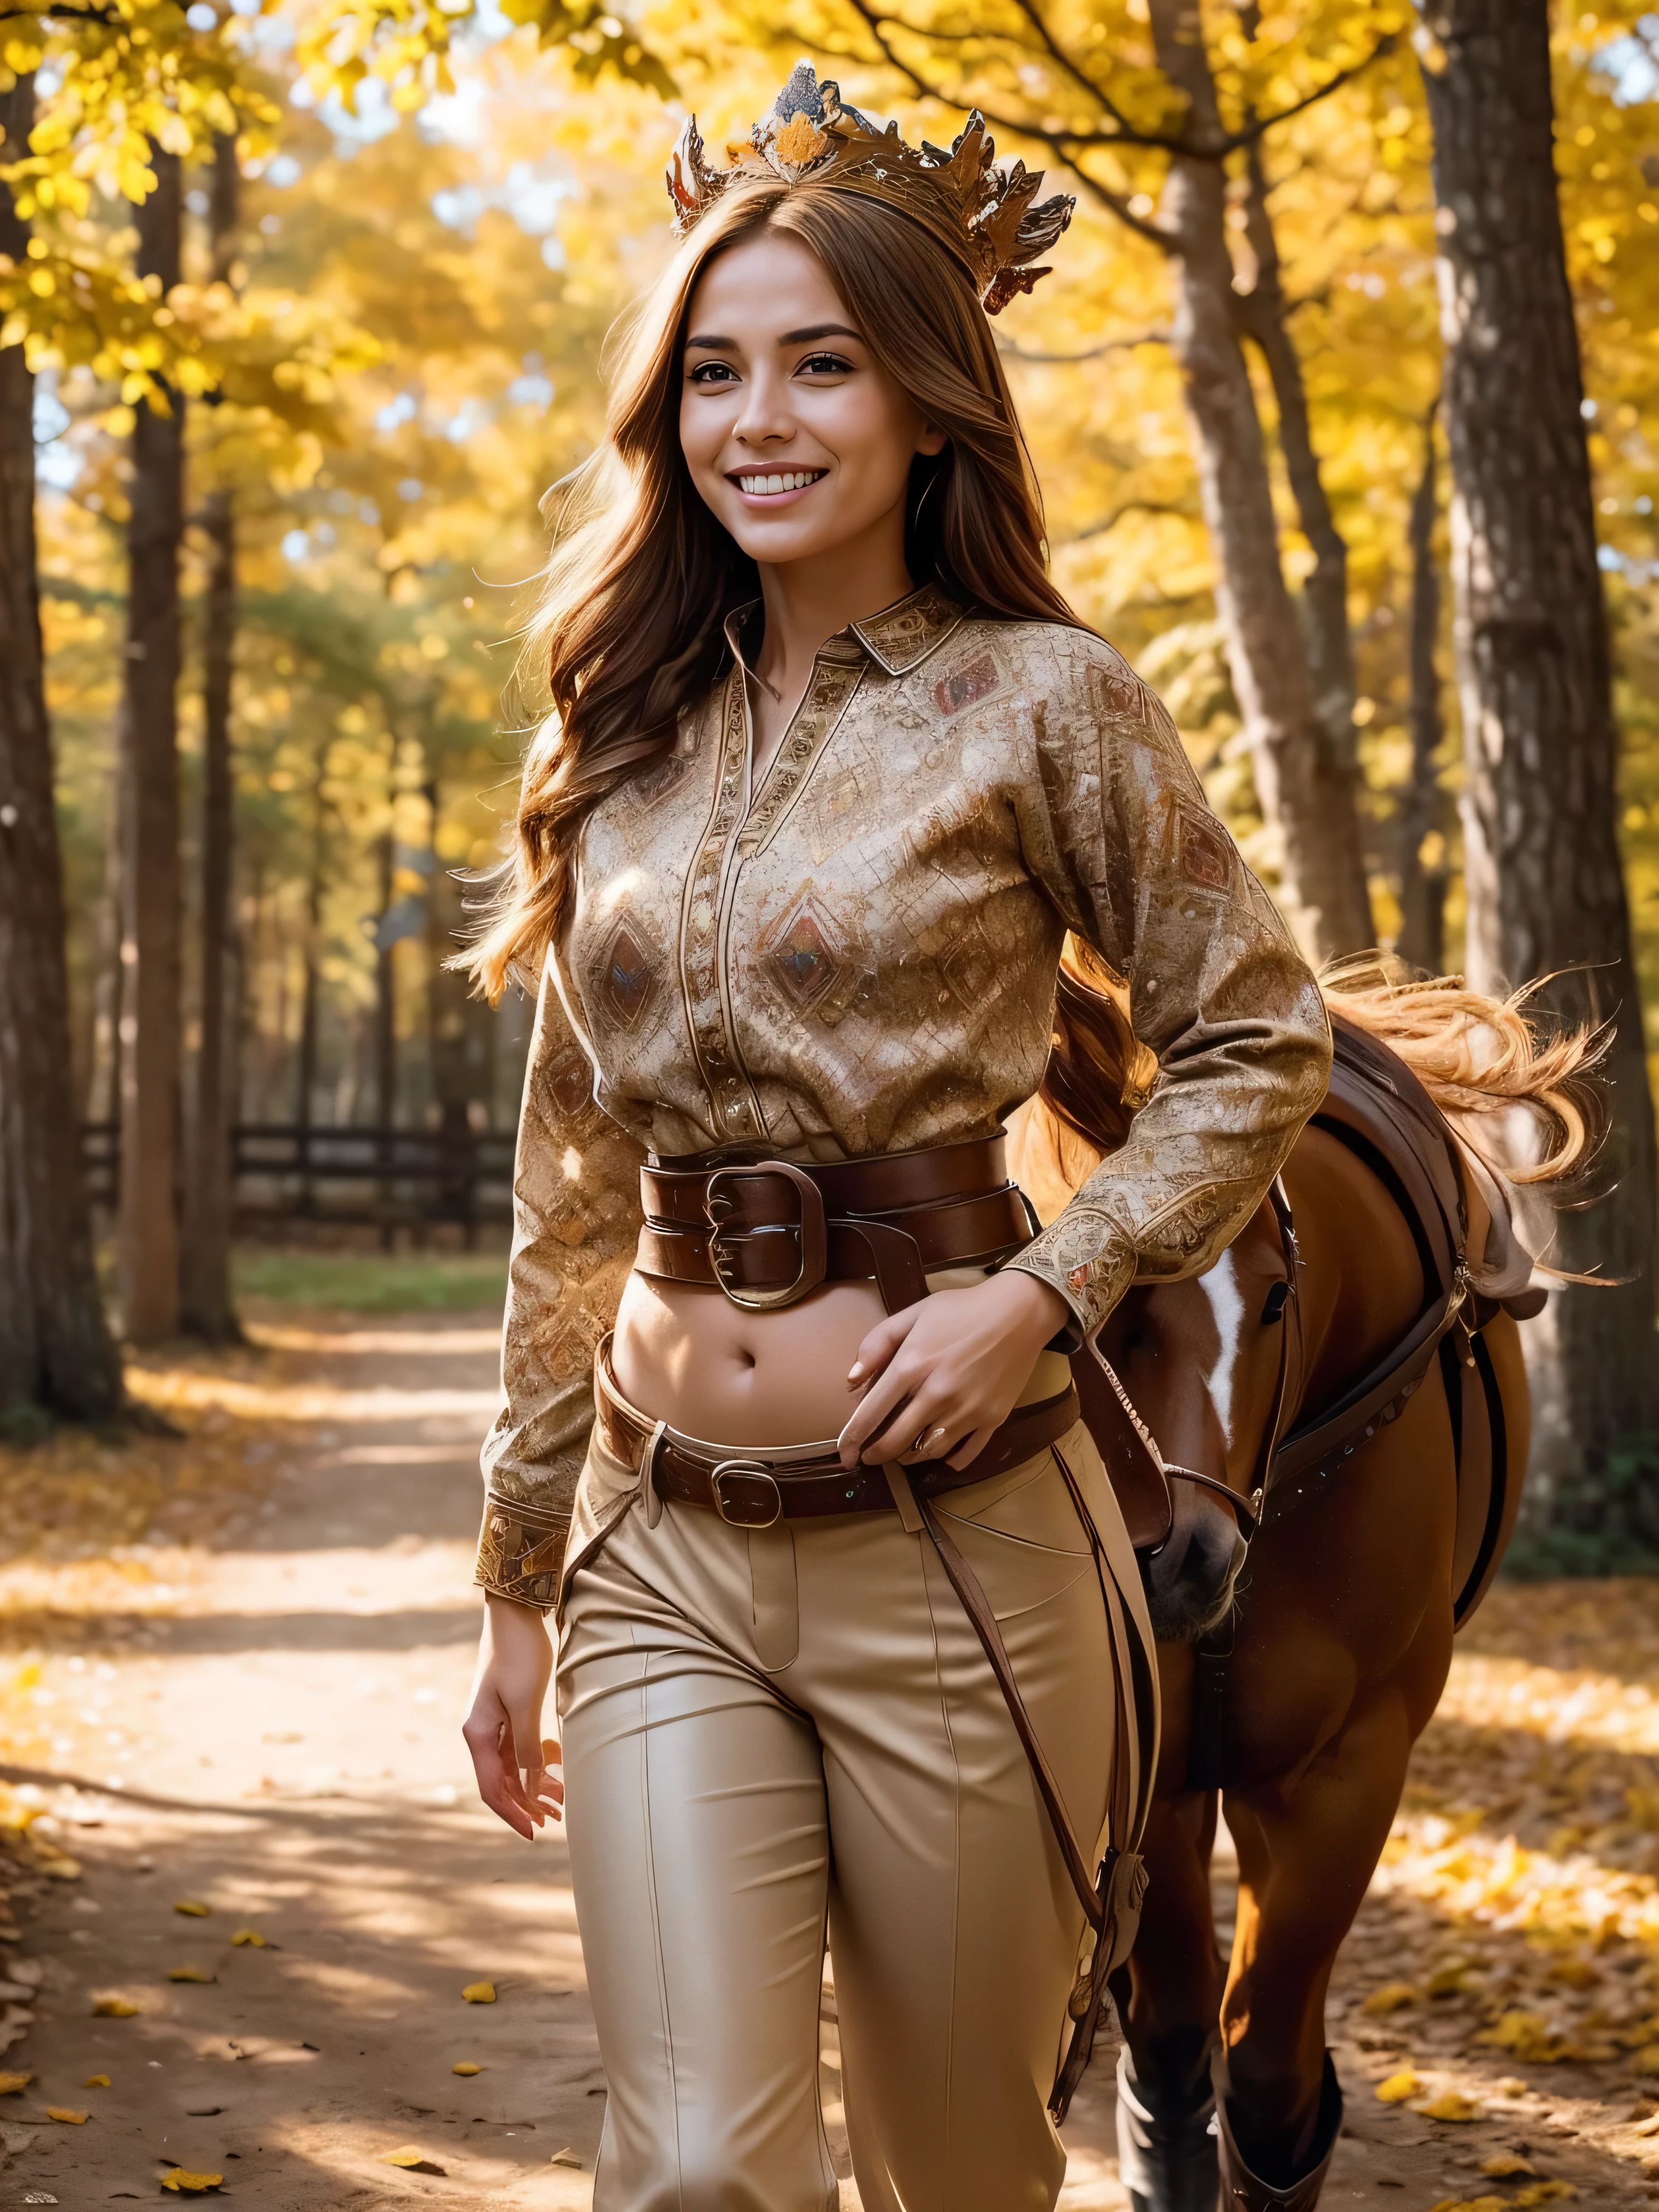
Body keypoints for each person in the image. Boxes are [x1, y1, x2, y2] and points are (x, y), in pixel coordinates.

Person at [459, 62, 1332, 2212]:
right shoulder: (621, 737)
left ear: (929, 401)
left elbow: (1255, 1041)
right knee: (691, 2172)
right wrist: (511, 1576)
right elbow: (572, 1192)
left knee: (955, 2173)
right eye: (714, 371)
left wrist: (1047, 1295)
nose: (757, 418)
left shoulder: (1050, 705)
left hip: (959, 1555)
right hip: (661, 1552)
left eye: (821, 365)